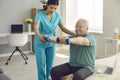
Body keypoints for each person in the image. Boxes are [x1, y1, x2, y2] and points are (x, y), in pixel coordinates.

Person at [33, 0, 75, 80]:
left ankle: (49, 78)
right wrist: (39, 36)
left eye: (55, 8)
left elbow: (63, 28)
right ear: (47, 5)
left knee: (50, 64)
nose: (53, 10)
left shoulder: (57, 16)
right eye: (51, 8)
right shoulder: (39, 15)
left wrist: (73, 33)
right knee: (41, 64)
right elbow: (35, 28)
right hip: (40, 42)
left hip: (52, 42)